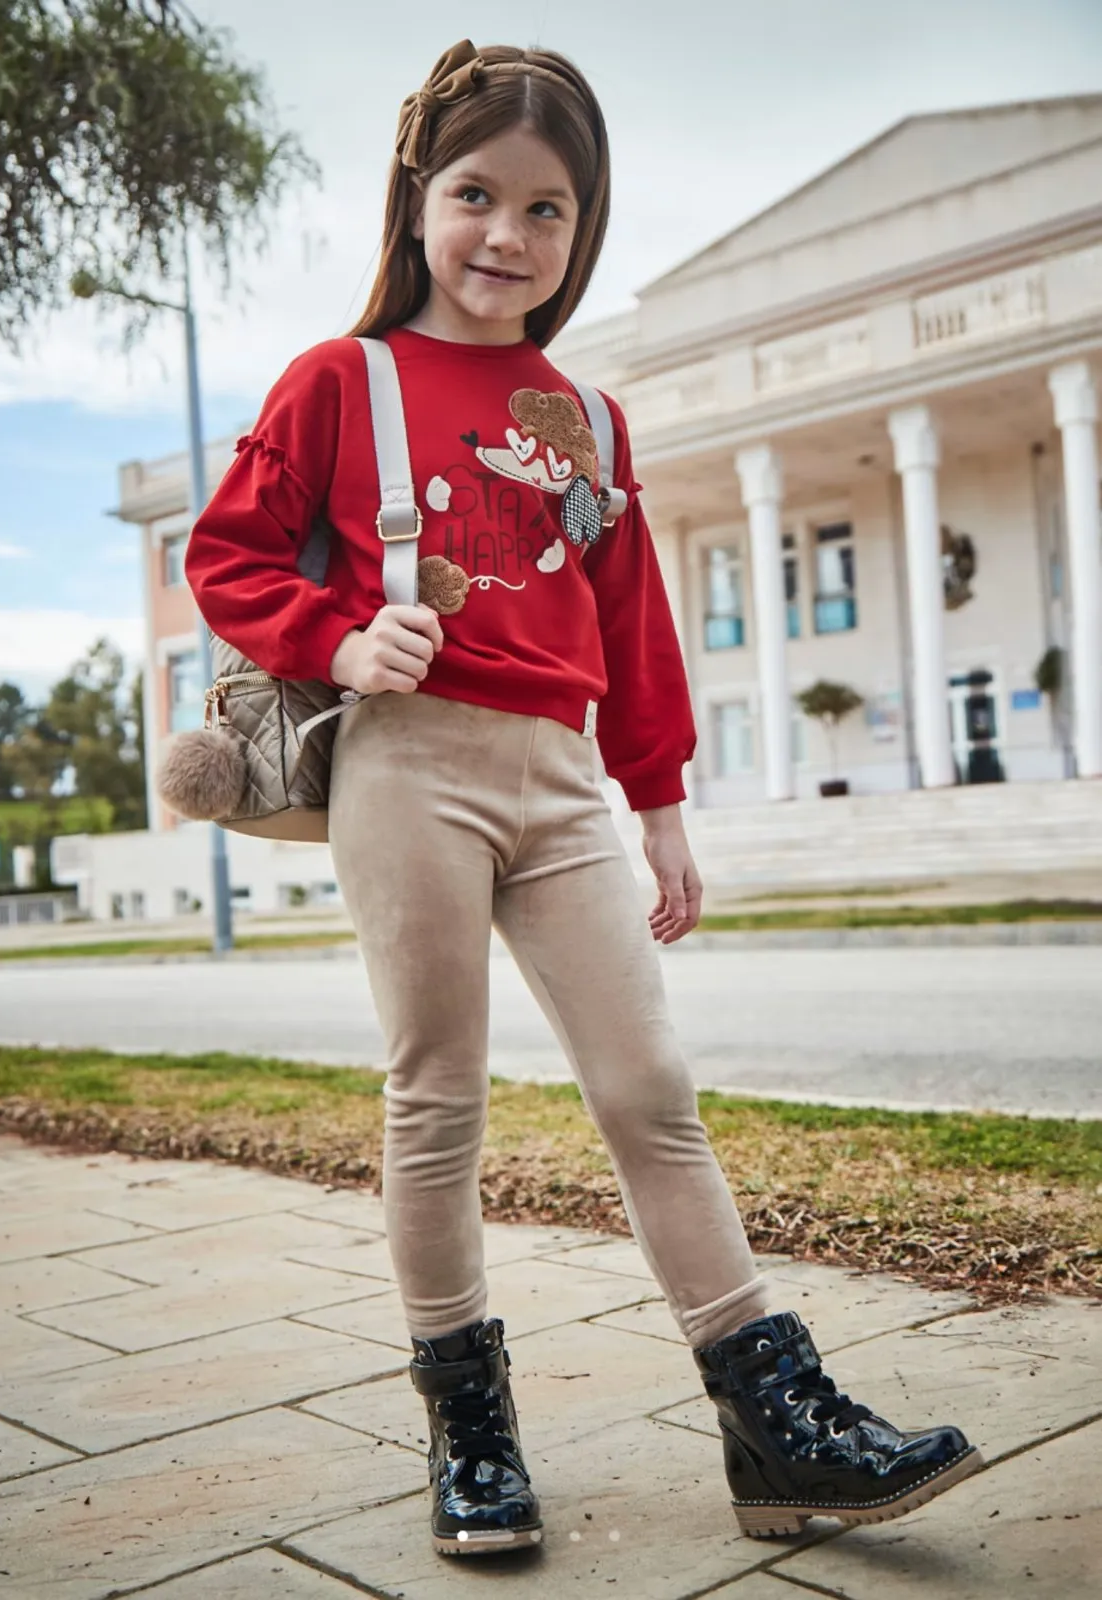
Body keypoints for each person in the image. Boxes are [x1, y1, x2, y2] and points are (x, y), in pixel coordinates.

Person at [185, 38, 981, 1560]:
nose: (507, 236)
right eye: (477, 194)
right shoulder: (340, 384)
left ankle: (771, 1416)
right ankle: (469, 1427)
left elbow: (632, 630)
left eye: (548, 210)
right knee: (438, 1100)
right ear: (418, 197)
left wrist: (661, 807)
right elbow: (224, 554)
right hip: (410, 766)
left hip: (561, 788)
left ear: (581, 227)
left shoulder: (591, 421)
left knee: (648, 1093)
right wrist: (341, 635)